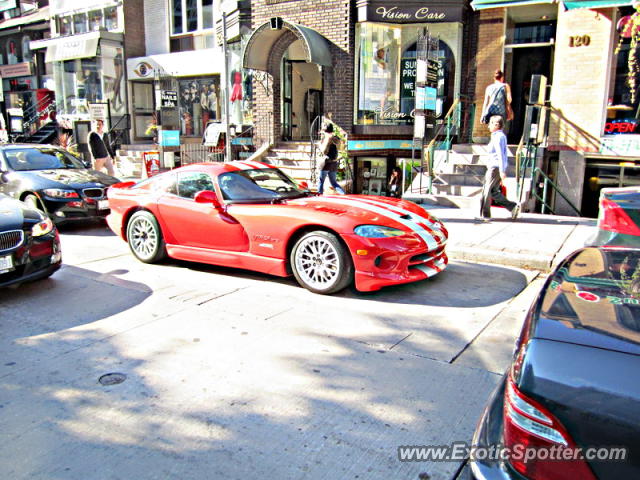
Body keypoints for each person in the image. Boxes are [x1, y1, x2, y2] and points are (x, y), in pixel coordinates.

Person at [479, 115, 519, 221]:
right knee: (494, 191)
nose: (488, 126)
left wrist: (502, 170)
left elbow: (500, 154)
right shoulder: (499, 136)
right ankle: (512, 207)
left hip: (495, 167)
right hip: (495, 166)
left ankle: (485, 215)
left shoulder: (498, 137)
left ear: (496, 125)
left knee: (486, 190)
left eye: (491, 123)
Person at [317, 124, 344, 195]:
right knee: (334, 183)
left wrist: (319, 145)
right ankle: (344, 194)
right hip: (334, 163)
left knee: (321, 181)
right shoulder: (336, 138)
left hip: (326, 163)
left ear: (325, 131)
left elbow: (324, 151)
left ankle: (319, 197)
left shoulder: (327, 138)